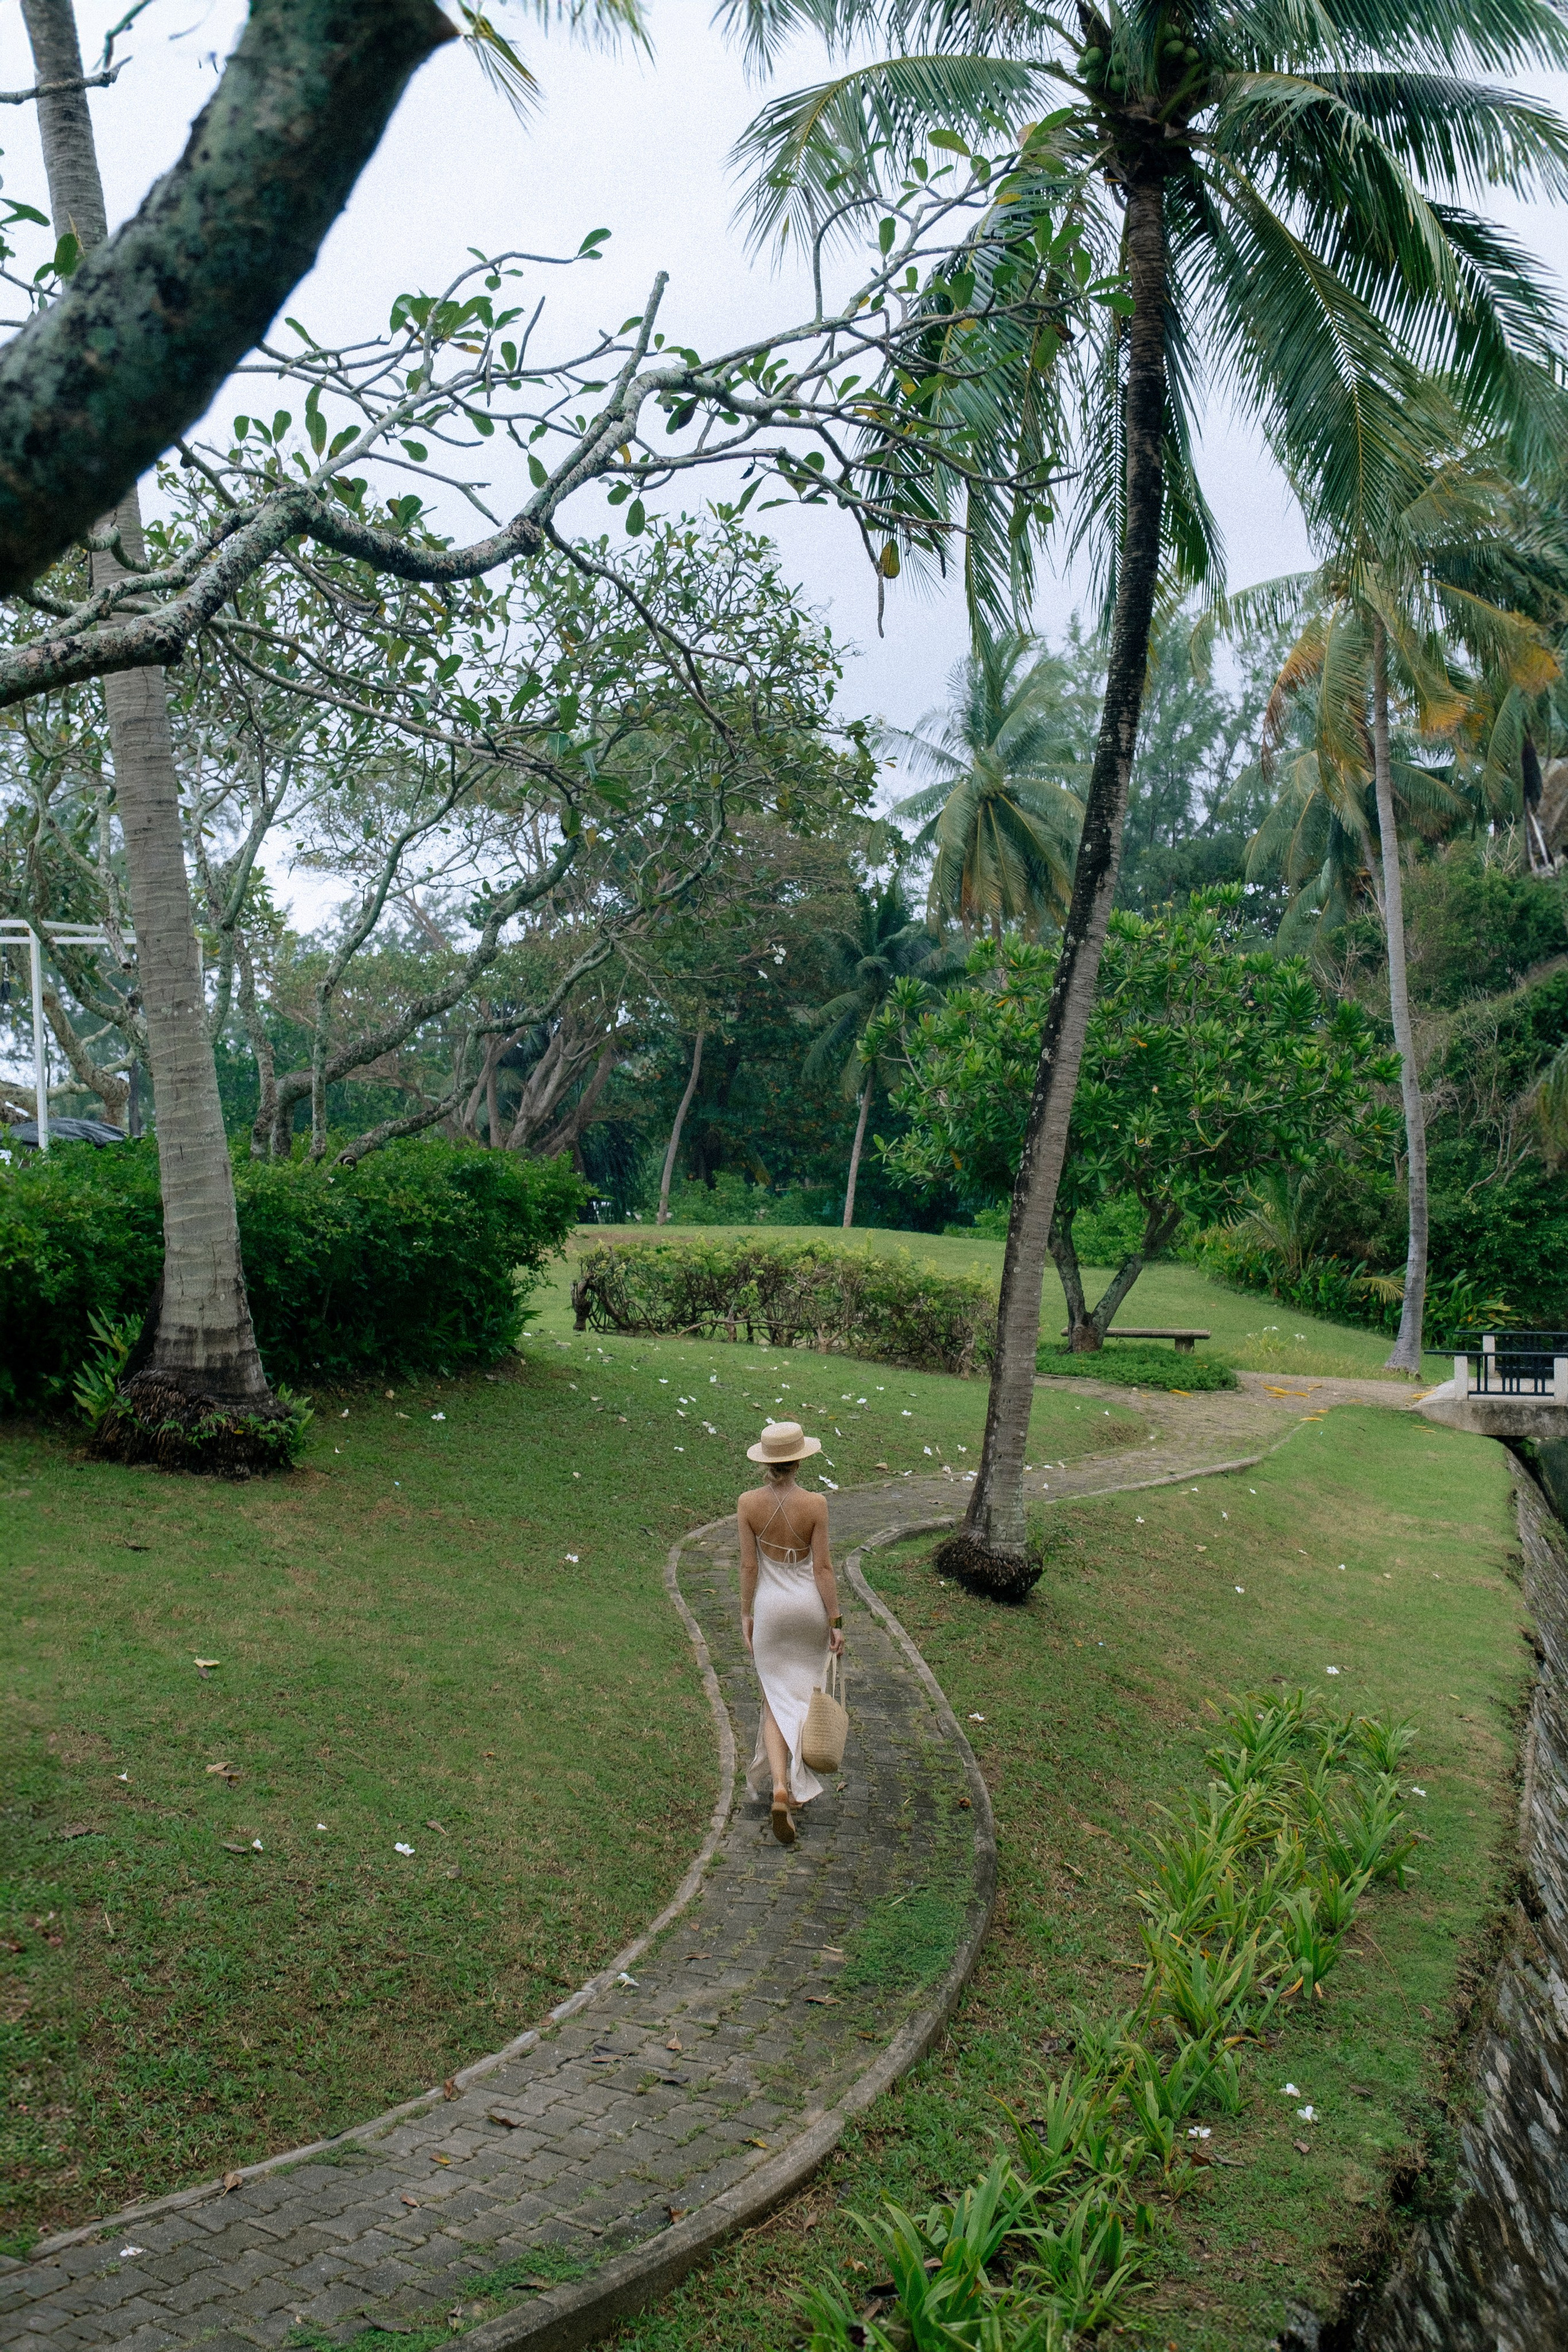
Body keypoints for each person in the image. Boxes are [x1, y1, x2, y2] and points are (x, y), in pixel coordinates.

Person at [737, 1420, 846, 1847]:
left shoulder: (747, 1504)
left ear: (766, 1461)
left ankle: (780, 1787)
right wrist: (835, 1621)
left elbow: (749, 1568)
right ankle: (793, 1789)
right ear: (799, 1459)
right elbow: (823, 1569)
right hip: (807, 1611)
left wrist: (745, 1613)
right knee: (803, 1694)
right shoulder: (815, 1504)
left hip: (770, 1610)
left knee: (772, 1698)